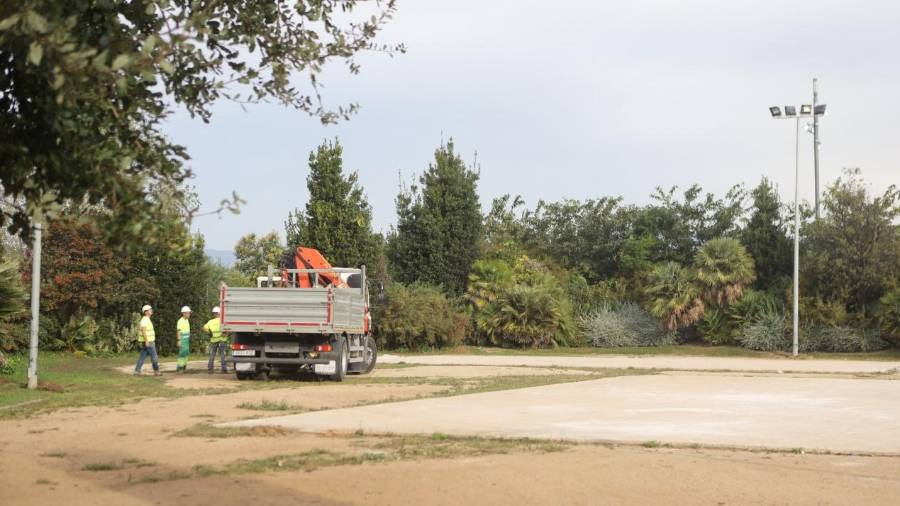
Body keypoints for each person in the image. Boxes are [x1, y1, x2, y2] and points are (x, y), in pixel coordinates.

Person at [134, 305, 161, 376]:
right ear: (146, 312)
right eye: (150, 309)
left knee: (142, 357)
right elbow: (143, 330)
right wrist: (146, 341)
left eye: (151, 309)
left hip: (148, 342)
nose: (151, 310)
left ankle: (137, 371)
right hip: (149, 342)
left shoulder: (147, 319)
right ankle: (156, 371)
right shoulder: (145, 320)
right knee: (154, 357)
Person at [203, 306, 229, 374]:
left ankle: (210, 369)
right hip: (222, 340)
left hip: (213, 341)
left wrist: (209, 333)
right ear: (220, 313)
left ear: (214, 314)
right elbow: (228, 329)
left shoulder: (210, 322)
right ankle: (224, 369)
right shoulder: (223, 321)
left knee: (212, 355)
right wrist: (226, 333)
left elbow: (204, 328)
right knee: (223, 355)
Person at [175, 306, 192, 373]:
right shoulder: (180, 321)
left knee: (186, 353)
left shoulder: (187, 320)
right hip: (182, 340)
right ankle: (179, 368)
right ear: (184, 313)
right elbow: (178, 331)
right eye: (188, 313)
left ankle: (184, 366)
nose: (189, 314)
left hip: (186, 340)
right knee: (182, 354)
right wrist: (179, 340)